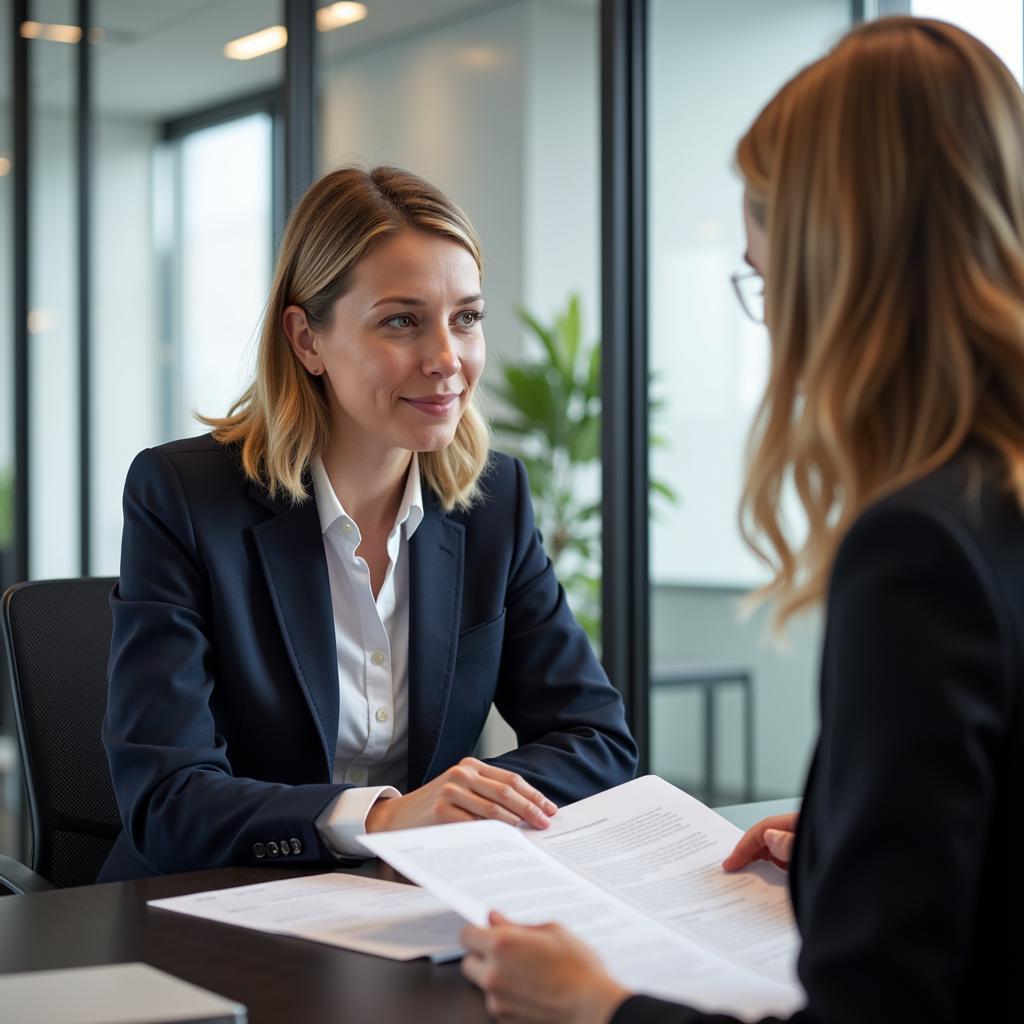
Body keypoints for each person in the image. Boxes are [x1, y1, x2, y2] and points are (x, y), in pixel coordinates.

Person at [461, 16, 1023, 1022]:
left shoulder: (919, 551)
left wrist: (599, 1006)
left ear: (836, 270)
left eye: (763, 278)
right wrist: (870, 842)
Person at [99, 166, 637, 882]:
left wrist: (464, 806)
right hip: (208, 908)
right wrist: (382, 819)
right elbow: (166, 800)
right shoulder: (185, 498)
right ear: (306, 339)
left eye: (467, 318)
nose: (448, 359)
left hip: (408, 908)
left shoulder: (493, 500)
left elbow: (596, 739)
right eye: (401, 321)